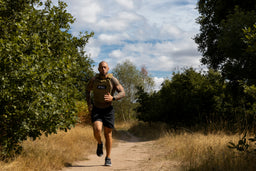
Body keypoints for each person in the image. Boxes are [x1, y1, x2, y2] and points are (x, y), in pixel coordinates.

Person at [86, 61, 125, 166]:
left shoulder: (112, 80)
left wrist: (114, 98)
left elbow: (123, 92)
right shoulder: (94, 80)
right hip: (97, 109)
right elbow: (87, 90)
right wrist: (89, 104)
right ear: (98, 69)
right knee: (97, 130)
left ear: (108, 69)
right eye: (101, 67)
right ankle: (99, 143)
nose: (103, 69)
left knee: (108, 134)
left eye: (105, 67)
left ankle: (108, 157)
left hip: (108, 110)